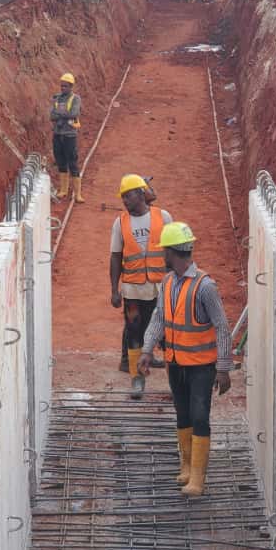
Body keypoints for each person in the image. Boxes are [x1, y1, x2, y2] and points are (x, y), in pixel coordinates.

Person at [138, 221, 232, 497]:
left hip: (201, 367)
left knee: (200, 416)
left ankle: (198, 480)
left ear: (172, 252)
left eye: (164, 251)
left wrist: (223, 368)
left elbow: (222, 327)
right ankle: (187, 467)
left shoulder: (205, 287)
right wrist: (147, 349)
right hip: (176, 363)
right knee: (183, 414)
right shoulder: (167, 282)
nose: (162, 255)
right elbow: (159, 318)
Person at [110, 174, 172, 399]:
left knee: (167, 336)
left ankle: (174, 381)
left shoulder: (163, 217)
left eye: (128, 195)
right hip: (133, 292)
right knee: (134, 333)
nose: (125, 200)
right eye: (123, 197)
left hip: (161, 291)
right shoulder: (120, 222)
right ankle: (137, 379)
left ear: (141, 194)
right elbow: (115, 257)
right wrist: (114, 290)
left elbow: (174, 250)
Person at [119, 175, 165, 373]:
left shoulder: (157, 214)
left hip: (153, 281)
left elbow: (151, 197)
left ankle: (146, 356)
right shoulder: (123, 222)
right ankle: (127, 361)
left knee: (146, 322)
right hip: (134, 282)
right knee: (134, 325)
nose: (125, 201)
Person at [50, 72, 84, 202]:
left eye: (65, 86)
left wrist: (59, 113)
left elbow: (74, 113)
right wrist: (64, 114)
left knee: (73, 163)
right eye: (61, 86)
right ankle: (63, 190)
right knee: (61, 162)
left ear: (71, 87)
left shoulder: (75, 99)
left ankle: (78, 194)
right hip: (58, 135)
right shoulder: (57, 98)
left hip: (70, 135)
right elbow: (51, 116)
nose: (62, 88)